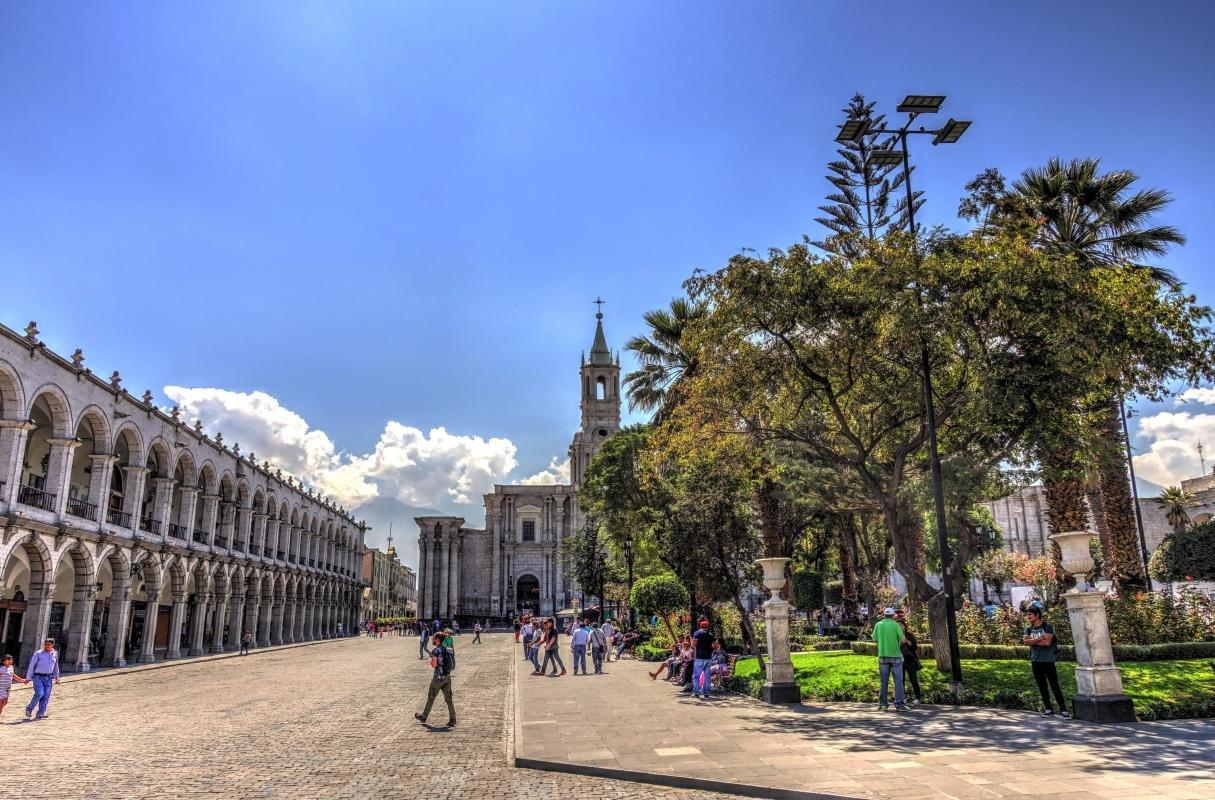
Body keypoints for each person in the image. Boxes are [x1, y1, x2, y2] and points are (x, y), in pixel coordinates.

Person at [1024, 605, 1070, 718]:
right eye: (1027, 614)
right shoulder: (1028, 629)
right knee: (1042, 686)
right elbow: (1026, 642)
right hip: (1035, 661)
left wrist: (1032, 641)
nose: (1028, 616)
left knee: (1054, 685)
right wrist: (1039, 638)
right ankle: (1048, 709)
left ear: (1037, 615)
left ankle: (1064, 710)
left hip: (1048, 661)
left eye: (1030, 614)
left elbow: (1047, 643)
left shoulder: (1047, 626)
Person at [414, 633, 456, 727]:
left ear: (437, 639)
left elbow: (434, 664)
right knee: (449, 699)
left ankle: (424, 717)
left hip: (438, 678)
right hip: (447, 677)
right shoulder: (447, 649)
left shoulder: (436, 650)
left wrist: (434, 662)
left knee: (431, 697)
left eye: (434, 638)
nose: (433, 639)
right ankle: (453, 719)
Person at [871, 608, 907, 712]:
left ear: (884, 615)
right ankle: (899, 705)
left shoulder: (878, 625)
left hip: (882, 656)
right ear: (893, 615)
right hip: (895, 656)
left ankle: (883, 704)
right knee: (898, 682)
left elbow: (874, 639)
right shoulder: (896, 625)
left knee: (883, 682)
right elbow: (903, 640)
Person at [24, 639, 61, 720]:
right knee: (40, 693)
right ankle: (29, 708)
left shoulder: (55, 653)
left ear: (52, 645)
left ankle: (40, 713)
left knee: (46, 696)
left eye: (49, 644)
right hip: (38, 677)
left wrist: (57, 677)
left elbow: (55, 666)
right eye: (46, 644)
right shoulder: (38, 653)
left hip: (49, 678)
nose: (47, 646)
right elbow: (31, 665)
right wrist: (28, 678)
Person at [895, 611, 923, 705]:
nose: (899, 626)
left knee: (913, 680)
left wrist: (905, 640)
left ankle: (918, 698)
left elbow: (914, 647)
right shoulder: (894, 636)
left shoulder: (909, 635)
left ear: (904, 626)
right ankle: (902, 698)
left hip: (910, 661)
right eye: (897, 625)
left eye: (901, 625)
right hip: (899, 662)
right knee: (900, 681)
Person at [689, 618, 715, 699]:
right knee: (707, 677)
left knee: (696, 676)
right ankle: (706, 693)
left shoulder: (697, 633)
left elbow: (693, 645)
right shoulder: (710, 635)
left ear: (700, 626)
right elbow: (713, 646)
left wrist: (691, 641)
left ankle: (696, 692)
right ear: (707, 626)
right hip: (708, 658)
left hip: (699, 658)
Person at [1, 653, 29, 721]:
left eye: (11, 660)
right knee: (1, 702)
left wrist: (22, 680)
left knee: (5, 702)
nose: (10, 661)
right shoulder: (1, 669)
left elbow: (13, 676)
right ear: (3, 661)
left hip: (7, 688)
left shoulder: (11, 668)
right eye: (8, 660)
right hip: (1, 688)